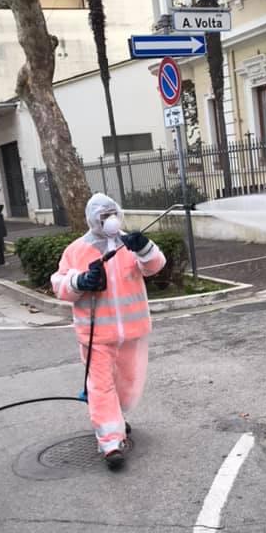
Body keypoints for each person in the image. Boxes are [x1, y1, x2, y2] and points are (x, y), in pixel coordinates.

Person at [51, 194, 166, 470]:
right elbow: (59, 284)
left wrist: (145, 248)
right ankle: (111, 443)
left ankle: (116, 418)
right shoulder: (77, 250)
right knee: (101, 387)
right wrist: (81, 281)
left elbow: (155, 266)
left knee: (126, 389)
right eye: (103, 217)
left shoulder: (130, 244)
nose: (109, 220)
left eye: (112, 214)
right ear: (93, 220)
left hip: (132, 332)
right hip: (96, 336)